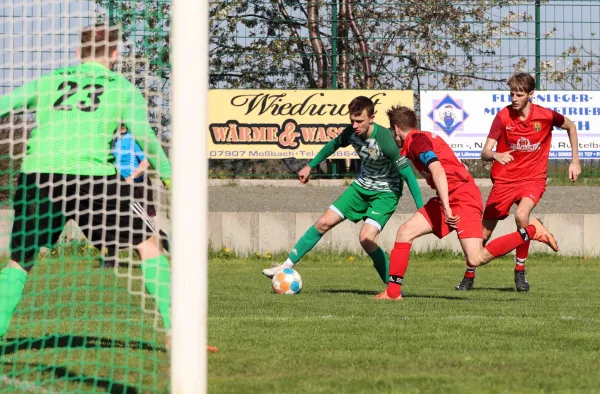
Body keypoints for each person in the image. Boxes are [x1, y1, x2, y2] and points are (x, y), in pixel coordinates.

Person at [0, 23, 216, 352]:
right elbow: (146, 138)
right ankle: (179, 335)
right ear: (114, 54)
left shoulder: (49, 82)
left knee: (19, 262)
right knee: (148, 246)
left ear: (77, 54)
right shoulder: (121, 87)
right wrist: (171, 177)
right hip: (92, 179)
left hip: (37, 175)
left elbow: (5, 104)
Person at [374, 105, 559, 300]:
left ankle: (532, 230)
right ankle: (393, 292)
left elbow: (437, 170)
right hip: (449, 196)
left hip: (462, 198)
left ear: (396, 129)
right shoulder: (424, 137)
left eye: (390, 130)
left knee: (476, 257)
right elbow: (453, 164)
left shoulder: (416, 141)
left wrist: (446, 207)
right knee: (405, 232)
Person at [262, 96, 424, 283]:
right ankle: (285, 266)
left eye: (360, 121)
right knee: (323, 223)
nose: (355, 125)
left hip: (385, 193)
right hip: (360, 187)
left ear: (371, 118)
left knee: (366, 238)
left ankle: (393, 287)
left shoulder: (385, 139)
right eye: (352, 120)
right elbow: (333, 146)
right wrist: (310, 166)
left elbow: (408, 175)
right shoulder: (352, 133)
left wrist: (421, 210)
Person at [455, 73, 580, 292]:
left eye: (519, 94)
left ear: (531, 95)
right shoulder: (503, 116)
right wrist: (495, 155)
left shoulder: (546, 116)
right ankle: (469, 275)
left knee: (522, 216)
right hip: (504, 182)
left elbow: (571, 127)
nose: (514, 98)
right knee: (482, 235)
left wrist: (575, 161)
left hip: (533, 179)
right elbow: (484, 152)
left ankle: (520, 272)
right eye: (512, 93)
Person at [99, 125, 170, 268]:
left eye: (125, 122)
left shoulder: (134, 139)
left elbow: (146, 162)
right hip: (120, 187)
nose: (122, 125)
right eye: (120, 122)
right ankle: (110, 260)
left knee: (146, 224)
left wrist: (132, 176)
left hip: (138, 187)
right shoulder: (113, 140)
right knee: (111, 220)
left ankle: (165, 244)